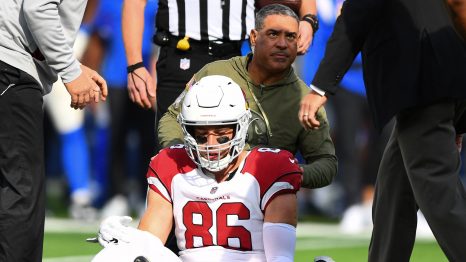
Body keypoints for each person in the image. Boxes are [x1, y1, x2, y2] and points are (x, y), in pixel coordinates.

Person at [298, 0, 466, 261]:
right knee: (393, 191)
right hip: (440, 77)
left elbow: (354, 18)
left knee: (439, 194)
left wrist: (320, 88)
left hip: (419, 84)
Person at [93, 75, 302, 261]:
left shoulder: (270, 168)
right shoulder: (171, 165)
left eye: (221, 133)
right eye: (200, 135)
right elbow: (151, 244)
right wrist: (128, 242)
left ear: (242, 126)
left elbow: (281, 257)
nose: (211, 144)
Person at [159, 4, 337, 189]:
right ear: (254, 36)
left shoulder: (305, 99)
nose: (282, 44)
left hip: (266, 202)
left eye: (290, 36)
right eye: (273, 34)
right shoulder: (215, 72)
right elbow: (172, 118)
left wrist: (287, 172)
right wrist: (183, 155)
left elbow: (326, 163)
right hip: (201, 188)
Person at [121, 0, 317, 151]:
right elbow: (135, 2)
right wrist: (135, 64)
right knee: (175, 151)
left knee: (237, 151)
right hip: (182, 55)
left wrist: (308, 20)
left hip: (235, 56)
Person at [0, 0, 108, 261]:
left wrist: (73, 66)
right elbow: (38, 7)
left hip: (11, 63)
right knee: (22, 190)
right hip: (11, 69)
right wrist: (70, 72)